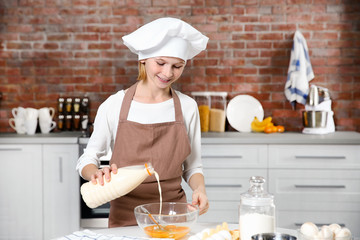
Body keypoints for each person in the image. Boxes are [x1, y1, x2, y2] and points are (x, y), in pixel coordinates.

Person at [76, 17, 209, 228]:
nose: (168, 73)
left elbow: (193, 166)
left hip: (174, 215)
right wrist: (95, 172)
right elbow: (87, 159)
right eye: (161, 63)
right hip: (125, 216)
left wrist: (199, 189)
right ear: (143, 59)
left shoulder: (188, 107)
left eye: (177, 66)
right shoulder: (115, 104)